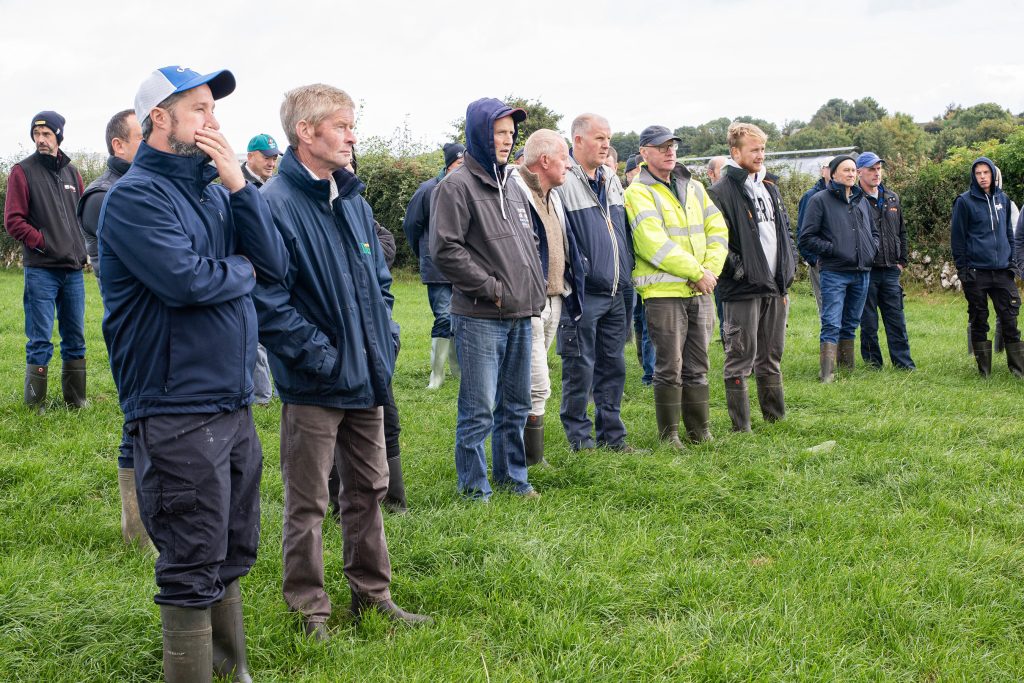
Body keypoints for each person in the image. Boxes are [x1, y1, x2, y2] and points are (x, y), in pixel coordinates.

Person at [100, 65, 288, 682]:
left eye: (214, 110)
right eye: (201, 109)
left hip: (231, 400)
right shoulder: (134, 198)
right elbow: (185, 281)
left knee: (230, 549)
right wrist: (242, 274)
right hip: (176, 405)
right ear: (161, 117)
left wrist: (240, 188)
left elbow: (274, 263)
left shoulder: (212, 189)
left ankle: (232, 672)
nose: (214, 122)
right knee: (189, 555)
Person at [252, 84, 430, 641]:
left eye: (353, 125)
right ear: (306, 133)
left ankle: (373, 596)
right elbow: (267, 300)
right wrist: (322, 358)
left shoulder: (352, 199)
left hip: (369, 376)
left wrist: (387, 336)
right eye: (343, 125)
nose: (353, 135)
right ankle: (310, 611)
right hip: (315, 383)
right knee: (307, 503)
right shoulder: (272, 205)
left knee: (369, 490)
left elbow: (379, 280)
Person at [430, 97, 545, 501]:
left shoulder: (512, 184)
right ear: (480, 133)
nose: (506, 140)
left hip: (520, 311)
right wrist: (492, 288)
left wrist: (531, 287)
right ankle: (474, 488)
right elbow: (445, 250)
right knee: (479, 408)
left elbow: (528, 242)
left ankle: (514, 478)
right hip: (480, 315)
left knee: (514, 405)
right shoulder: (456, 186)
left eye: (511, 134)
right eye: (499, 132)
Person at [624, 125, 727, 448]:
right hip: (664, 293)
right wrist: (697, 271)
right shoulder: (638, 192)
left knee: (699, 365)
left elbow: (717, 229)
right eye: (662, 146)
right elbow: (651, 242)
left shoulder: (695, 187)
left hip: (701, 288)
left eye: (673, 146)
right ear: (644, 152)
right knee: (670, 367)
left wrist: (709, 271)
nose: (670, 151)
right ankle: (669, 436)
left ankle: (700, 431)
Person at [76, 108, 149, 549]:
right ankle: (136, 530)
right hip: (132, 325)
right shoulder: (105, 196)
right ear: (118, 145)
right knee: (136, 421)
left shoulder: (145, 188)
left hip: (158, 324)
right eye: (143, 136)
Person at [708, 123, 796, 432]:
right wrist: (743, 272)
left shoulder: (770, 186)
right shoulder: (719, 191)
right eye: (754, 149)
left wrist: (787, 272)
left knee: (771, 355)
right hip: (743, 290)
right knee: (740, 357)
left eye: (762, 149)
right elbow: (717, 242)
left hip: (774, 286)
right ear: (735, 152)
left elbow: (783, 232)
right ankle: (741, 426)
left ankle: (775, 419)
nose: (760, 155)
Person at [556, 113, 634, 451]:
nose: (606, 145)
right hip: (584, 294)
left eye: (608, 138)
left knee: (613, 366)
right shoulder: (563, 179)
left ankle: (612, 436)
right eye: (599, 138)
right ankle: (580, 439)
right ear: (578, 141)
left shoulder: (611, 178)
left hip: (617, 290)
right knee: (579, 367)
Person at [4, 110, 88, 411]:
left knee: (75, 337)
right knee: (39, 339)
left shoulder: (72, 173)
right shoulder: (22, 172)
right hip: (41, 270)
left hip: (73, 271)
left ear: (59, 136)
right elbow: (13, 221)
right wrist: (46, 244)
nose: (41, 139)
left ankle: (76, 399)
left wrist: (81, 250)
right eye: (37, 134)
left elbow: (79, 219)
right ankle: (35, 402)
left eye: (47, 134)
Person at [510, 129, 585, 466]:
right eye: (564, 158)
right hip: (528, 301)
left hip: (554, 298)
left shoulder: (552, 193)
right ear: (544, 160)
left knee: (533, 380)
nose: (568, 166)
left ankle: (527, 455)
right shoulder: (514, 191)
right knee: (537, 382)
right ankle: (529, 460)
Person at [798, 155, 878, 382]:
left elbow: (873, 231)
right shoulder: (819, 200)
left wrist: (872, 248)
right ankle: (827, 373)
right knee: (832, 321)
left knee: (851, 322)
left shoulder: (861, 199)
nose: (851, 174)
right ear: (833, 174)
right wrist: (834, 249)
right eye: (846, 170)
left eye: (853, 170)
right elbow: (806, 238)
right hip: (834, 271)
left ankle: (847, 368)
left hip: (861, 271)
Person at [402, 142, 465, 389]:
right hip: (436, 267)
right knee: (444, 316)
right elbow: (411, 225)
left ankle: (458, 371)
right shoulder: (427, 189)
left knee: (459, 318)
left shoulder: (465, 189)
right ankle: (436, 376)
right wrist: (425, 252)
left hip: (462, 268)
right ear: (449, 164)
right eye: (459, 164)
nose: (462, 169)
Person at [953, 157, 1022, 377]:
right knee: (979, 319)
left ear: (993, 174)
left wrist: (1012, 264)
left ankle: (1018, 370)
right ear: (973, 176)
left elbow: (1009, 235)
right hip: (976, 272)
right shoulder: (964, 202)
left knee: (1010, 319)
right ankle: (984, 371)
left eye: (986, 172)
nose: (983, 176)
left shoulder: (1003, 198)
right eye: (978, 173)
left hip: (1002, 271)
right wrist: (963, 271)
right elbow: (958, 239)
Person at [855, 151, 915, 370]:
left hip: (891, 268)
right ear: (859, 172)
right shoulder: (854, 199)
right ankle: (873, 364)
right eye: (871, 169)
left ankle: (904, 364)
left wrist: (902, 261)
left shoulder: (892, 197)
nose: (876, 173)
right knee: (868, 322)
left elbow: (902, 231)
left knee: (896, 320)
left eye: (879, 168)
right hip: (867, 270)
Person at [797, 157, 832, 313]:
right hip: (820, 260)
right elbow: (802, 231)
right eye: (829, 167)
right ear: (822, 171)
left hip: (842, 261)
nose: (833, 170)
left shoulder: (847, 194)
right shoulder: (810, 196)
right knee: (826, 307)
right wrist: (812, 259)